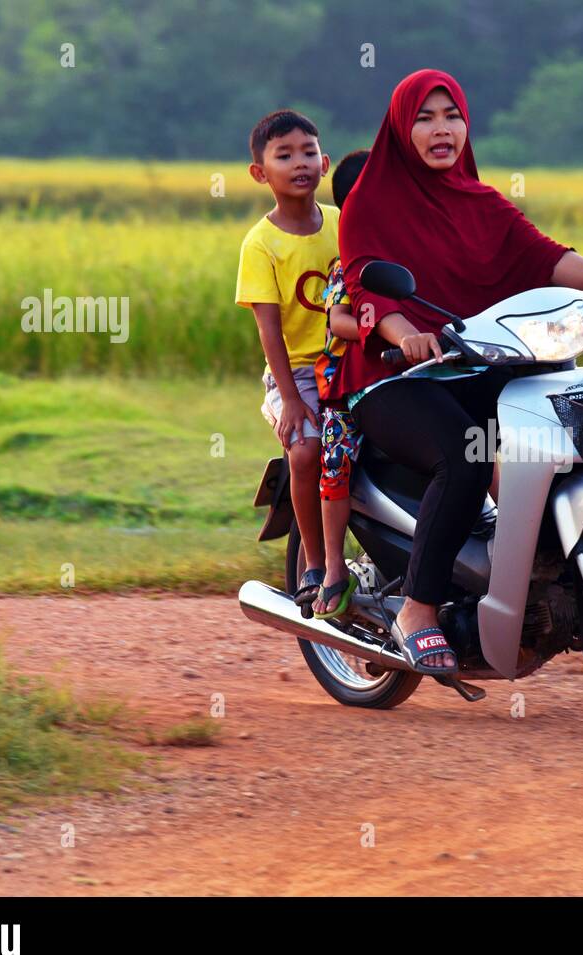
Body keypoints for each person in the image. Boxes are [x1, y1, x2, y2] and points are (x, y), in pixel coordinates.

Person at [336, 69, 583, 674]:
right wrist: (406, 336)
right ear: (399, 129)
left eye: (453, 115)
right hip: (391, 380)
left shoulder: (479, 202)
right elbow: (366, 287)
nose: (442, 130)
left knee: (574, 429)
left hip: (475, 365)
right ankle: (418, 608)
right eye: (425, 118)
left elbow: (542, 256)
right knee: (465, 457)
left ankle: (547, 575)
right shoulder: (369, 204)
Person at [235, 110, 337, 614]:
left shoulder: (343, 223)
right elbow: (269, 330)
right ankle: (315, 565)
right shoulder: (261, 243)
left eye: (308, 152)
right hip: (294, 374)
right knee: (305, 452)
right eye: (284, 155)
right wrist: (291, 400)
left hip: (351, 362)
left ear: (325, 161)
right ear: (260, 172)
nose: (300, 163)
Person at [311, 149, 370, 619]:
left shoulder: (419, 250)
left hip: (410, 376)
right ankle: (333, 567)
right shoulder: (348, 262)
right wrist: (388, 330)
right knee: (336, 467)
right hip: (348, 384)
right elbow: (340, 321)